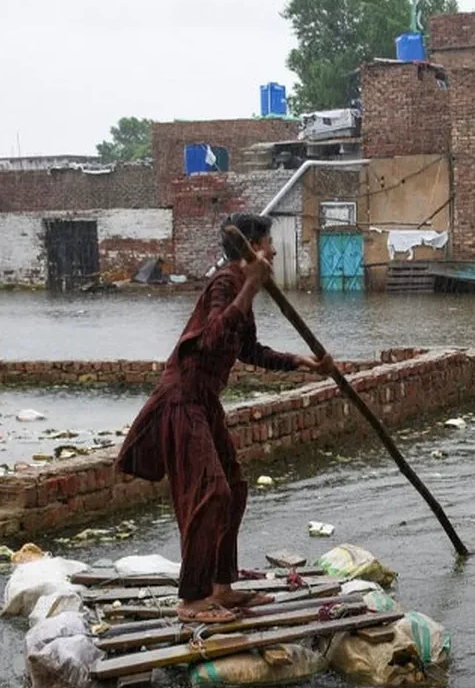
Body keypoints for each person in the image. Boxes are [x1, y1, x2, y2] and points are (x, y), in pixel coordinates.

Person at [115, 213, 335, 623]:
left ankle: (221, 587)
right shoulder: (226, 283)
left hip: (206, 401)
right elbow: (213, 335)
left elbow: (247, 350)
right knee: (210, 492)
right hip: (183, 400)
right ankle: (192, 600)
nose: (273, 251)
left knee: (233, 487)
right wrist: (250, 285)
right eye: (269, 243)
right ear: (252, 248)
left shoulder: (241, 289)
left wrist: (300, 362)